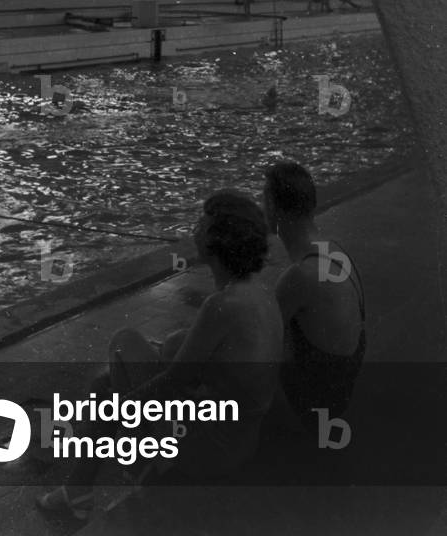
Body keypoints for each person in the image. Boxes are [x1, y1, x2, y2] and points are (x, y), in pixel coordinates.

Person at [37, 191, 283, 519]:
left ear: (215, 241)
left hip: (213, 448)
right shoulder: (257, 293)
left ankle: (139, 471)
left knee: (122, 347)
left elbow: (172, 383)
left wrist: (114, 411)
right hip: (240, 437)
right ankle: (77, 491)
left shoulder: (223, 306)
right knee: (108, 384)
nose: (193, 229)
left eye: (201, 223)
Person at [262, 161, 366, 432]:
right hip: (338, 398)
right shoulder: (335, 252)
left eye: (263, 199)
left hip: (308, 409)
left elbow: (261, 342)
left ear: (273, 206)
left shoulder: (300, 276)